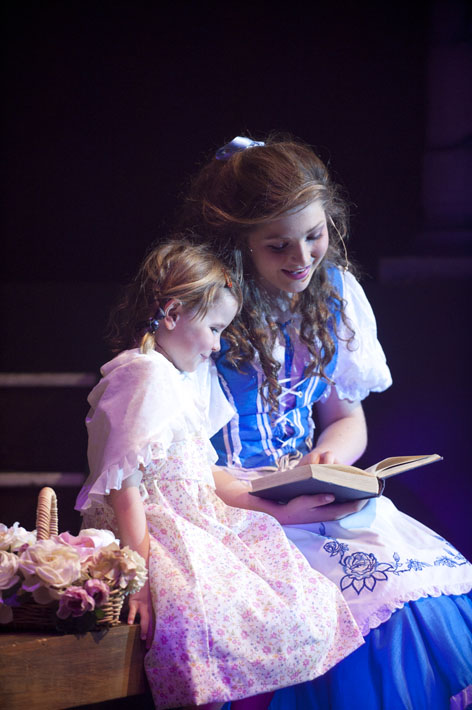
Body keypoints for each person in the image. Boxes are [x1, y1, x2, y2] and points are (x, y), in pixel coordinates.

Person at [178, 135, 472, 710]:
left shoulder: (334, 294)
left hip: (310, 497)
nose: (303, 257)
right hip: (231, 502)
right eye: (278, 245)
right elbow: (179, 455)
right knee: (322, 620)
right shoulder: (206, 311)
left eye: (315, 236)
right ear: (239, 247)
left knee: (410, 594)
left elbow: (345, 416)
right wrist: (268, 502)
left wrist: (330, 458)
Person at [75, 239, 363, 710]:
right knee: (199, 614)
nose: (217, 343)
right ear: (172, 314)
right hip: (152, 536)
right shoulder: (141, 376)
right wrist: (139, 580)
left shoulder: (176, 383)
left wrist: (280, 509)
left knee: (292, 600)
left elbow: (209, 478)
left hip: (195, 523)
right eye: (213, 327)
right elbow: (124, 489)